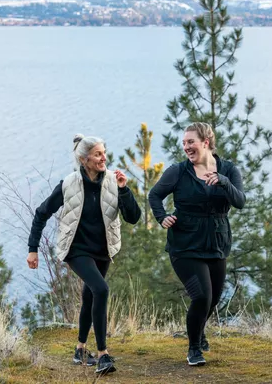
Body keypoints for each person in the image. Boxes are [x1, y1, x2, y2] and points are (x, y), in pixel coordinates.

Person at [26, 134, 141, 375]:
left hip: (103, 249)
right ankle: (103, 354)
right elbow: (41, 213)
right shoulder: (68, 184)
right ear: (84, 158)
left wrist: (124, 190)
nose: (104, 158)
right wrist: (33, 249)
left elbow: (133, 217)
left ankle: (80, 349)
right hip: (76, 250)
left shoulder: (112, 181)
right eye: (98, 154)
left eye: (104, 153)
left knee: (90, 297)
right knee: (101, 290)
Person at [148, 122, 246, 366]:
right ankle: (193, 349)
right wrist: (162, 217)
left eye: (190, 142)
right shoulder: (178, 172)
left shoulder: (228, 170)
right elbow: (154, 195)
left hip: (217, 243)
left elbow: (240, 201)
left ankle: (199, 333)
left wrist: (223, 182)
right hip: (185, 244)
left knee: (213, 299)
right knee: (201, 296)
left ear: (206, 142)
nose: (186, 147)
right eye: (184, 143)